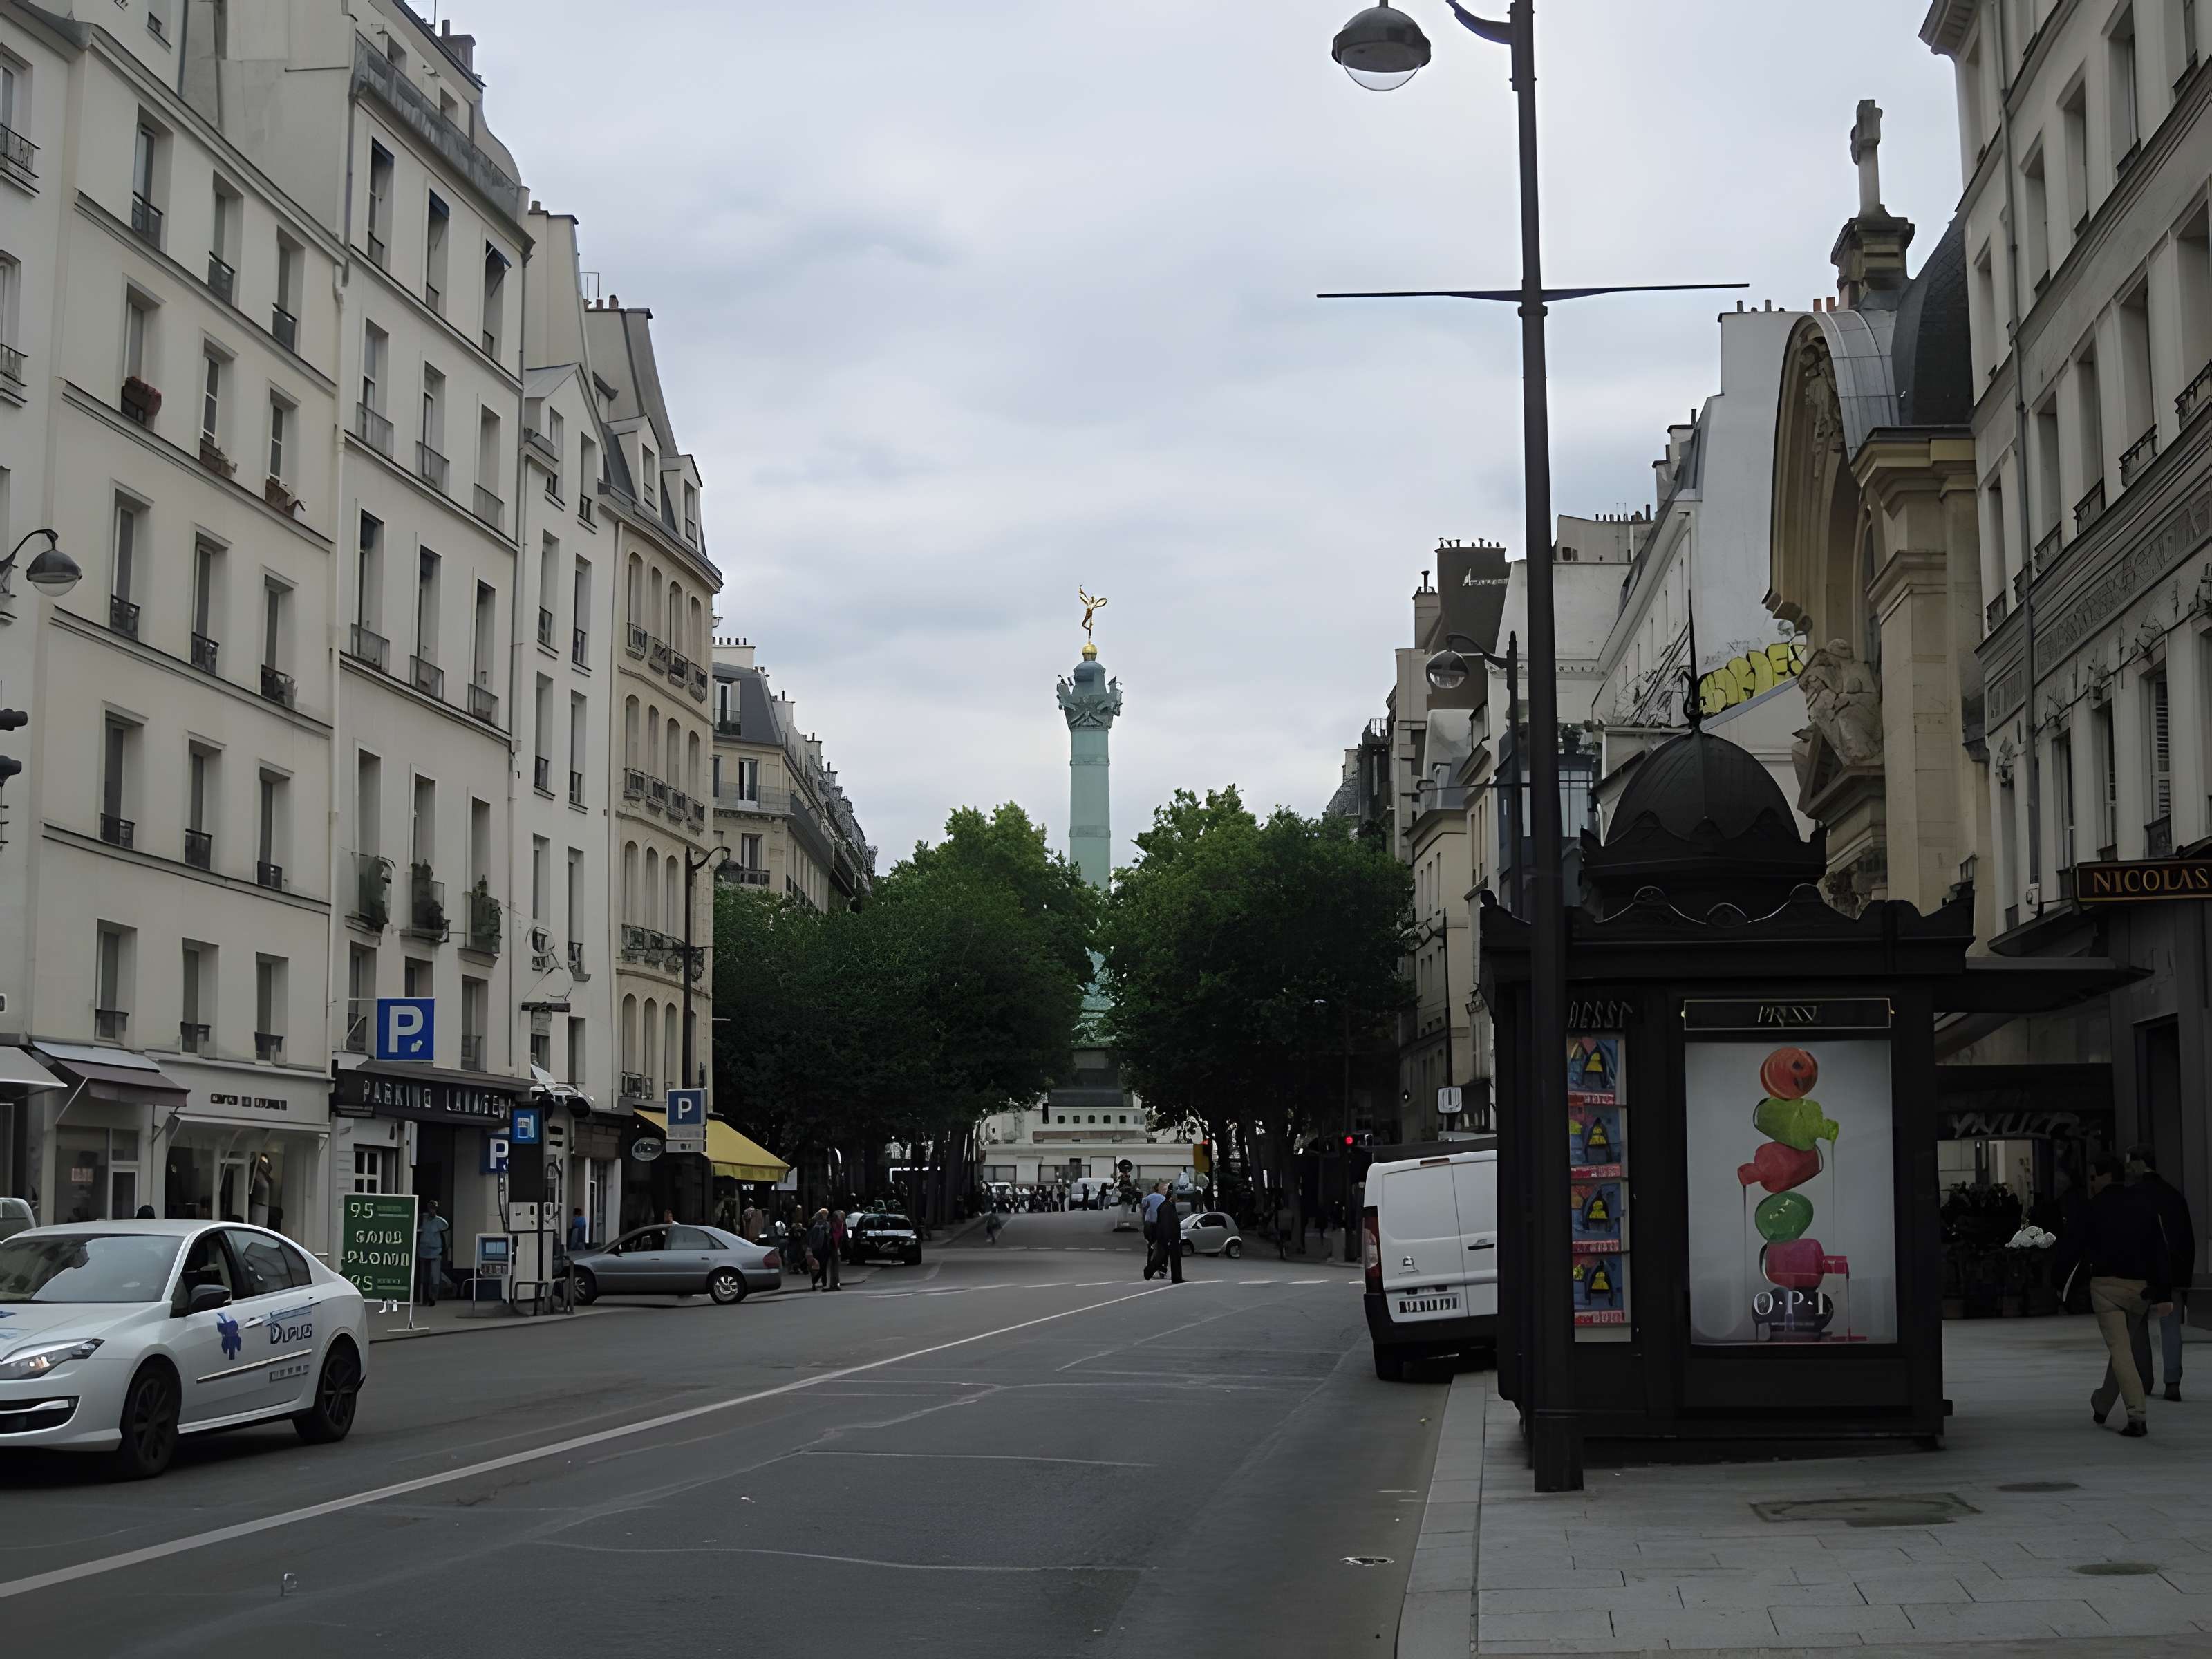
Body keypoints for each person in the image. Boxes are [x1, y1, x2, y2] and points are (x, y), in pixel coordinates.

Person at [2083, 1154, 2175, 1438]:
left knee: (2120, 1351)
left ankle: (2137, 1415)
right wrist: (2163, 1292)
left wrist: (2062, 1283)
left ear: (2103, 1177)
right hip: (2140, 1290)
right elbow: (2160, 1249)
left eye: (2093, 1177)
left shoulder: (2094, 1208)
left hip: (2106, 1287)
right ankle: (2102, 1403)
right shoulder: (2144, 1206)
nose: (2091, 1183)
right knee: (2120, 1350)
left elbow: (2076, 1246)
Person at [2127, 1145, 2197, 1401]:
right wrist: (2183, 1276)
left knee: (2138, 1324)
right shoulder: (2174, 1196)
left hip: (2142, 1273)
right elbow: (2187, 1240)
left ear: (2138, 1164)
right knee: (2170, 1326)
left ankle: (2144, 1380)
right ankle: (2172, 1382)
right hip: (2172, 1273)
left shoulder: (2134, 1196)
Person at [416, 1198, 451, 1308]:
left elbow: (446, 1233)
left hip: (436, 1251)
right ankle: (424, 1298)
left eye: (434, 1208)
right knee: (424, 1276)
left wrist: (444, 1249)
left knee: (434, 1276)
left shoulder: (440, 1221)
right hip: (424, 1250)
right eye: (431, 1208)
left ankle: (433, 1298)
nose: (432, 1210)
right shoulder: (423, 1218)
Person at [807, 1208, 832, 1290]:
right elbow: (812, 1238)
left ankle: (819, 1282)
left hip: (822, 1248)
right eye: (825, 1215)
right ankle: (818, 1281)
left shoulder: (823, 1225)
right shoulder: (819, 1226)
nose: (826, 1217)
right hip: (820, 1248)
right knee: (822, 1266)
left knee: (822, 1266)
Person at [827, 1210, 847, 1290]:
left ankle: (833, 1284)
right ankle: (835, 1284)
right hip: (835, 1247)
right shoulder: (841, 1226)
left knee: (833, 1267)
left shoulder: (832, 1226)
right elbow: (844, 1236)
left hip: (833, 1247)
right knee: (836, 1267)